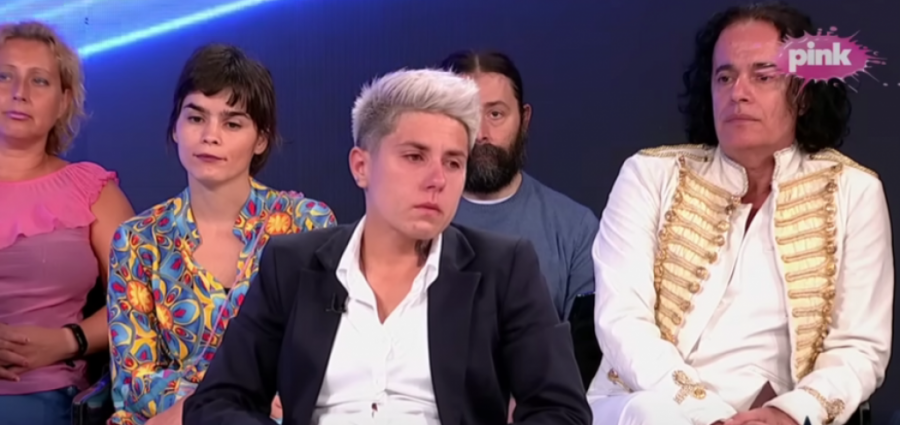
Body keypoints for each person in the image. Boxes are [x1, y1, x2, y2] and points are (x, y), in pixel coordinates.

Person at [182, 68, 591, 425]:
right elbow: (217, 402)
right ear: (361, 166)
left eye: (453, 162)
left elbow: (562, 411)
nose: (437, 180)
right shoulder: (292, 265)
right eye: (415, 157)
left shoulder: (504, 268)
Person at [586, 3, 892, 425]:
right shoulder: (649, 175)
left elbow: (859, 347)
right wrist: (702, 412)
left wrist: (791, 413)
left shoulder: (854, 191)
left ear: (804, 94)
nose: (738, 93)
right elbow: (622, 320)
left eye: (763, 76)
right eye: (725, 77)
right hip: (649, 403)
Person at [106, 44, 336, 425]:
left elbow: (326, 353)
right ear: (175, 128)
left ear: (261, 139)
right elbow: (134, 383)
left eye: (232, 123)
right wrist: (227, 404)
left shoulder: (307, 223)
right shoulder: (137, 240)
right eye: (196, 118)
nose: (210, 136)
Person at [0, 21, 135, 425]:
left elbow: (142, 301)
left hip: (48, 397)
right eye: (4, 76)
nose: (19, 92)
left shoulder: (92, 189)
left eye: (39, 80)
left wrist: (68, 340)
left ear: (63, 102)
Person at [440, 50, 598, 321]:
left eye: (496, 114)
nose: (481, 134)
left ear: (524, 119)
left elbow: (582, 344)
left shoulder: (575, 228)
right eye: (465, 116)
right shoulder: (411, 222)